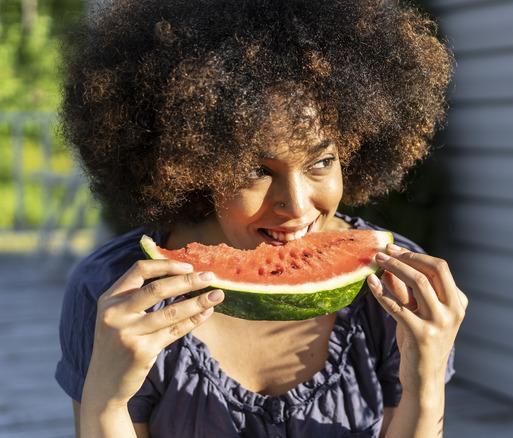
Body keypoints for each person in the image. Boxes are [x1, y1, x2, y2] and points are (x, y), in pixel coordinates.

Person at [55, 0, 467, 436]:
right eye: (256, 171)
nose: (298, 205)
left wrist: (425, 379)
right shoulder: (114, 293)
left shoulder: (398, 283)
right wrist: (106, 397)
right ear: (192, 165)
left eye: (321, 161)